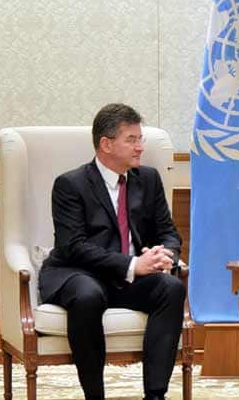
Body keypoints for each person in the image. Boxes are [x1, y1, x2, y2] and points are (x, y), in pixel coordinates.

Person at [39, 103, 185, 400]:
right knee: (88, 295)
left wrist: (164, 255)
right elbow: (73, 246)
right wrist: (133, 264)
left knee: (171, 288)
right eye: (131, 139)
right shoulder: (70, 184)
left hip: (127, 279)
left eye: (140, 139)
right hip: (78, 272)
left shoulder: (148, 179)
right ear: (106, 144)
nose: (140, 147)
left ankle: (155, 395)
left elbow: (168, 231)